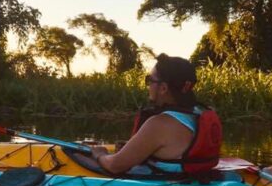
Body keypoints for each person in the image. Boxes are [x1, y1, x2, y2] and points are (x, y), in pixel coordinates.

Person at [75, 54, 222, 176]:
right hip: (194, 179)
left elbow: (114, 165)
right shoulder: (198, 113)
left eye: (149, 80)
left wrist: (100, 154)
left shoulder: (160, 123)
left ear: (163, 88)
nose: (148, 85)